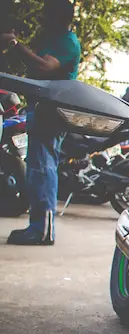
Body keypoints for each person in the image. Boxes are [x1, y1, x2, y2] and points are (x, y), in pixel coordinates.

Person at [0, 0, 81, 245]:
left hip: (51, 113)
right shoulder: (53, 39)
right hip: (41, 109)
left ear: (59, 17)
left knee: (43, 169)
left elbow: (46, 66)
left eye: (47, 14)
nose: (42, 18)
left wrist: (15, 44)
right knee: (37, 170)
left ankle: (43, 230)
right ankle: (37, 227)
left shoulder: (67, 42)